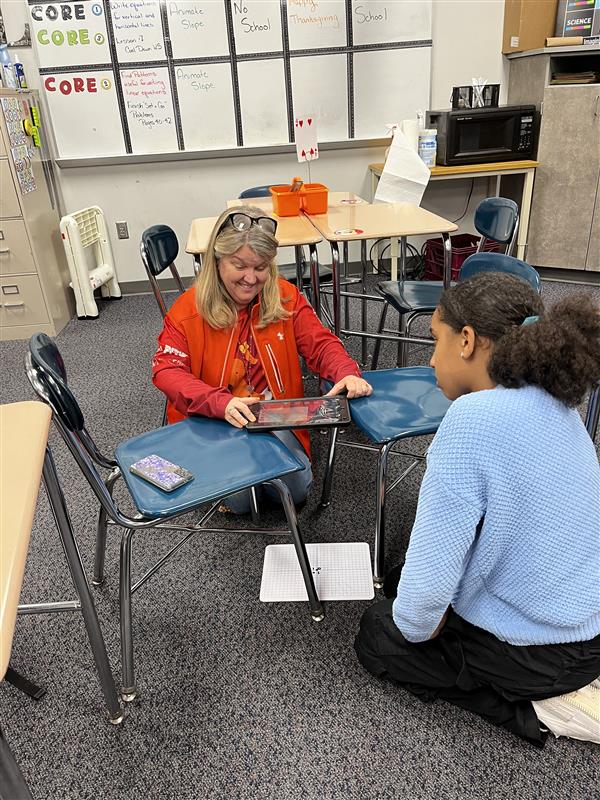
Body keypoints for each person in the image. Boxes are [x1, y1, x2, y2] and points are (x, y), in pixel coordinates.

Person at [354, 271, 600, 747]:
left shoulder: (471, 420)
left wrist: (419, 623)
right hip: (588, 620)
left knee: (380, 634)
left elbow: (418, 613)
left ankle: (535, 711)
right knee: (403, 573)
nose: (431, 359)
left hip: (546, 653)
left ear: (467, 341)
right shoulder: (558, 405)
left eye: (435, 340)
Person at [152, 205, 372, 512]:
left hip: (275, 413)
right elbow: (166, 371)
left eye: (260, 267)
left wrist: (346, 372)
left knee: (294, 493)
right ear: (216, 262)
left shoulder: (285, 296)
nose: (251, 278)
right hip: (217, 418)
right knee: (242, 501)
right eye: (239, 265)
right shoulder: (188, 309)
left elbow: (320, 344)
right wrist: (220, 403)